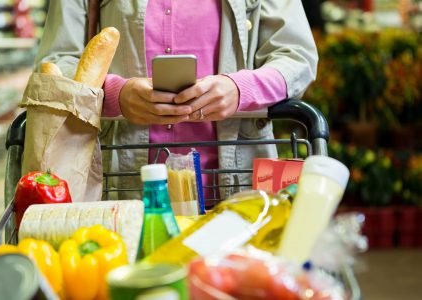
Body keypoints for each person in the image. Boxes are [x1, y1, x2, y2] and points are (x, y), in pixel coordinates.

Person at [34, 0, 318, 201]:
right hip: (121, 183)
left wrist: (240, 89)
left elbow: (297, 57)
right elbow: (56, 62)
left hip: (238, 182)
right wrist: (114, 94)